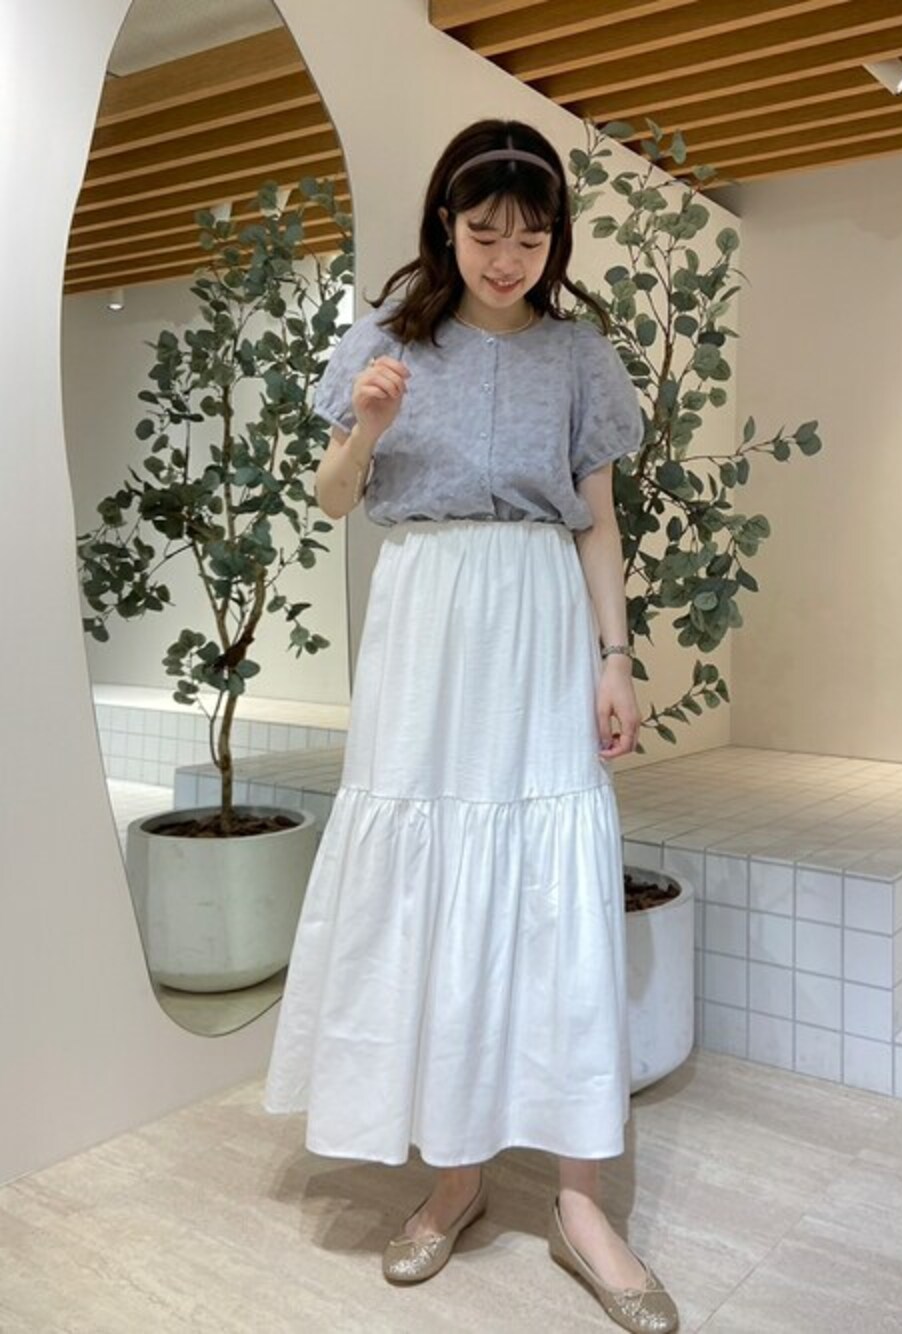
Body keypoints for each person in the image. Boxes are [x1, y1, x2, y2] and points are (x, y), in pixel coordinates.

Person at [263, 118, 679, 1333]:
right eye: (484, 231)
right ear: (445, 226)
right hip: (425, 621)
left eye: (530, 236)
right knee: (434, 879)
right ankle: (454, 1176)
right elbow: (334, 498)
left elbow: (597, 521)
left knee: (553, 881)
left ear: (556, 241)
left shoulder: (578, 357)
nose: (506, 257)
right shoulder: (386, 343)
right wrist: (367, 425)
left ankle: (579, 1201)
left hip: (538, 616)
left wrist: (614, 659)